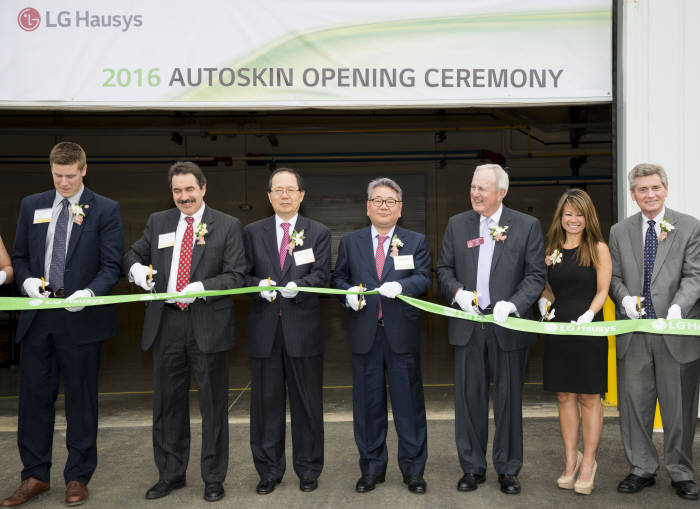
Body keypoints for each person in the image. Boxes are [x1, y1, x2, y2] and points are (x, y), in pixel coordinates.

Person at [2, 141, 123, 507]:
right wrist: (25, 281)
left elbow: (111, 265)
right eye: (58, 176)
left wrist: (88, 292)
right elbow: (20, 255)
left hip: (82, 320)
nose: (64, 183)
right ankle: (35, 475)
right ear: (51, 170)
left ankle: (77, 476)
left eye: (70, 176)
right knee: (34, 400)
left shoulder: (105, 209)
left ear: (84, 170)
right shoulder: (32, 204)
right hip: (38, 318)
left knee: (81, 401)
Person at [123, 161, 246, 502]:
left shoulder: (227, 225)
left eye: (190, 189)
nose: (184, 197)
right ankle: (171, 473)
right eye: (177, 191)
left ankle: (213, 477)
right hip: (166, 324)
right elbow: (132, 253)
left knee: (213, 405)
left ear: (203, 188)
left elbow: (237, 274)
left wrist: (202, 286)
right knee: (167, 404)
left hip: (207, 321)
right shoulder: (158, 221)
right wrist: (136, 270)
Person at [436, 163, 545, 495]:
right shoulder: (457, 224)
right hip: (469, 325)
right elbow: (444, 268)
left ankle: (508, 469)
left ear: (502, 191)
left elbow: (536, 275)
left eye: (482, 188)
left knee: (509, 400)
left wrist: (512, 303)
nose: (475, 193)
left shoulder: (526, 226)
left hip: (507, 325)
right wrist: (457, 293)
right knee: (469, 401)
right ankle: (472, 467)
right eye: (472, 186)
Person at [332, 177, 431, 495]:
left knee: (408, 406)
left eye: (390, 201)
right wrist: (346, 292)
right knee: (367, 405)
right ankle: (372, 468)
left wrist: (402, 286)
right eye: (377, 200)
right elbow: (338, 277)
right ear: (367, 207)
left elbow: (423, 277)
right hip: (365, 335)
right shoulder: (351, 241)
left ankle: (414, 470)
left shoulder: (415, 241)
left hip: (401, 335)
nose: (383, 206)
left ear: (400, 209)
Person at [609, 163, 700, 501]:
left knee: (679, 409)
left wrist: (677, 308)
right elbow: (614, 278)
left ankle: (681, 471)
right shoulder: (619, 232)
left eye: (655, 188)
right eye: (642, 189)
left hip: (676, 335)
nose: (649, 194)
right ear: (633, 194)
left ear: (665, 189)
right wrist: (623, 300)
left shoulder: (689, 227)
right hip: (634, 334)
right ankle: (641, 468)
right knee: (634, 406)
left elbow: (695, 275)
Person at [243, 167, 331, 494]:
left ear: (301, 195)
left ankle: (308, 469)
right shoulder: (251, 232)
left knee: (308, 404)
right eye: (277, 190)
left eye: (290, 190)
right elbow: (240, 274)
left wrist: (301, 286)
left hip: (303, 332)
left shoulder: (318, 232)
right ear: (268, 196)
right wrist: (257, 287)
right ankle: (268, 470)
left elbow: (322, 273)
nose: (284, 195)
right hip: (264, 332)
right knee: (266, 406)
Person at [537, 188, 611, 495]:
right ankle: (570, 460)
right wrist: (544, 302)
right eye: (568, 214)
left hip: (588, 330)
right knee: (565, 396)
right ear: (560, 216)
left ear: (588, 216)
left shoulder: (598, 248)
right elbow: (548, 289)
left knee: (589, 398)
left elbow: (602, 291)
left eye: (579, 214)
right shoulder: (551, 249)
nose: (574, 219)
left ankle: (588, 462)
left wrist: (590, 315)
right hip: (559, 331)